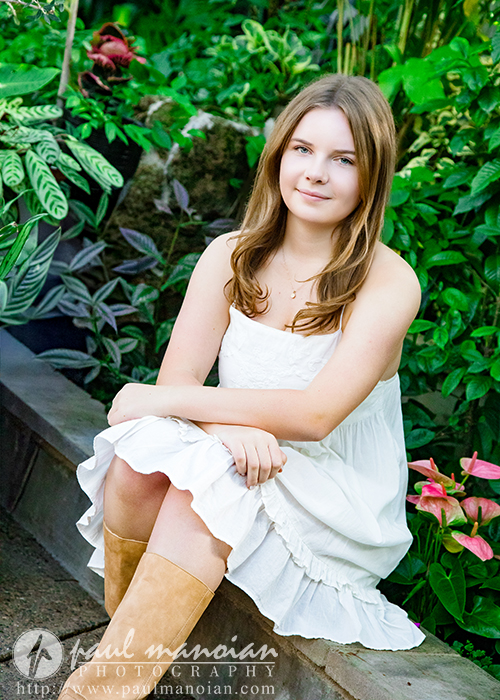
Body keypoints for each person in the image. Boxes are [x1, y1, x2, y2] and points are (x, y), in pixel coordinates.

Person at [58, 73, 425, 700]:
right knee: (137, 465)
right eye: (303, 150)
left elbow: (314, 417)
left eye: (344, 160)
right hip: (242, 453)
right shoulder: (231, 257)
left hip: (335, 486)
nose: (315, 172)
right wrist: (226, 429)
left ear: (372, 178)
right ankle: (123, 671)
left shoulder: (387, 282)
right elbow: (181, 379)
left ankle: (102, 688)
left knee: (197, 479)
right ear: (279, 153)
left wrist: (150, 401)